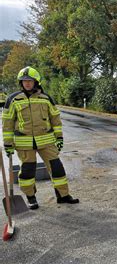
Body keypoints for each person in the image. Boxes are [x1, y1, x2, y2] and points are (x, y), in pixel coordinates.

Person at [2, 66, 79, 209]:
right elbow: (7, 123)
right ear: (21, 83)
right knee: (27, 172)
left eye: (30, 80)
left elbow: (55, 119)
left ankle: (63, 196)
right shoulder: (13, 99)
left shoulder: (46, 98)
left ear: (36, 82)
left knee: (57, 169)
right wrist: (7, 144)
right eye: (24, 81)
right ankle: (31, 198)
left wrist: (59, 137)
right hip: (24, 143)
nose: (27, 83)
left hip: (47, 141)